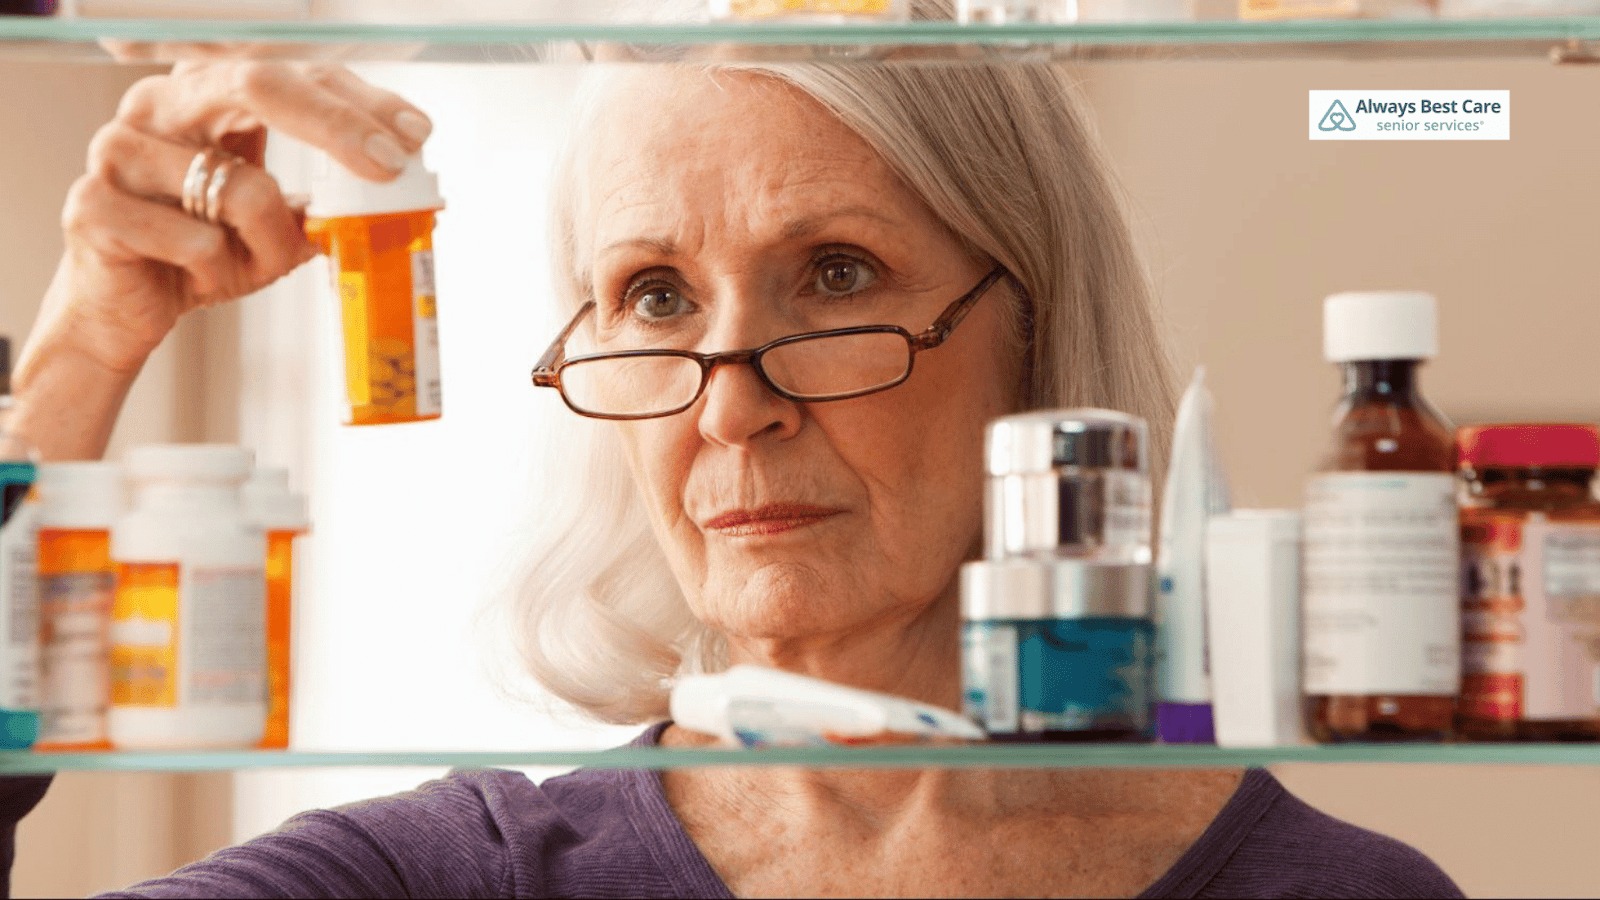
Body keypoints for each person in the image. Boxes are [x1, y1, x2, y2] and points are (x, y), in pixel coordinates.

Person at [0, 52, 1466, 898]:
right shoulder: (458, 878)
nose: (733, 403)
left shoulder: (1340, 894)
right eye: (651, 298)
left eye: (836, 273)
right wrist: (80, 349)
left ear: (1035, 336)